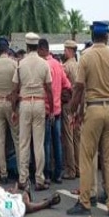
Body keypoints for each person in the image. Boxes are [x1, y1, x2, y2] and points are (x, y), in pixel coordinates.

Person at [67, 21, 109, 217]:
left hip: (92, 110)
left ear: (92, 36)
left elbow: (79, 88)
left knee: (86, 157)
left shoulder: (86, 57)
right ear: (107, 36)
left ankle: (85, 202)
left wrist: (73, 111)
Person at [12, 33, 53, 191]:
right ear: (37, 46)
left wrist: (14, 109)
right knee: (39, 143)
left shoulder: (21, 64)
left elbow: (15, 88)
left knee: (23, 143)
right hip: (39, 103)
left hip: (24, 103)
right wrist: (51, 109)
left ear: (27, 46)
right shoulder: (44, 64)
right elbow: (49, 88)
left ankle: (23, 178)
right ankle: (39, 179)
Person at [39, 38, 72, 184]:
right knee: (57, 142)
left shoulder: (44, 65)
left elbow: (47, 89)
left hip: (47, 110)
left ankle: (46, 173)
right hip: (57, 110)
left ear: (41, 50)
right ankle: (58, 173)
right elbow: (68, 85)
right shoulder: (58, 65)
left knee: (46, 143)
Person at [0, 38, 20, 183]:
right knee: (17, 139)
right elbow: (18, 85)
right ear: (7, 50)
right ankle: (22, 172)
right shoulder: (14, 64)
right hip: (11, 103)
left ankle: (3, 173)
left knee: (1, 140)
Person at [61, 40, 81, 179]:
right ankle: (79, 168)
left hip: (68, 104)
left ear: (69, 50)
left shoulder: (66, 67)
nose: (64, 52)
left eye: (65, 50)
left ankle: (71, 170)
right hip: (79, 104)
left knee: (68, 136)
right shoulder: (79, 65)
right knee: (77, 137)